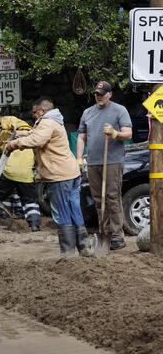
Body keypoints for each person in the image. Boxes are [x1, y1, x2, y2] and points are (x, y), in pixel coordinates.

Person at [7, 98, 91, 257]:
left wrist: (14, 144)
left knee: (62, 212)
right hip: (71, 173)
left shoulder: (46, 122)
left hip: (59, 175)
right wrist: (19, 133)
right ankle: (84, 247)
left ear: (41, 111)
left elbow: (37, 139)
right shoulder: (55, 121)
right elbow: (36, 133)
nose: (33, 116)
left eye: (34, 112)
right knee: (74, 209)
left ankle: (67, 252)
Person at [76, 81, 132, 251]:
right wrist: (79, 158)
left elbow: (128, 133)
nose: (99, 96)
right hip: (93, 162)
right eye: (96, 94)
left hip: (113, 160)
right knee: (99, 200)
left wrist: (115, 133)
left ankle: (117, 236)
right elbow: (81, 137)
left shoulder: (119, 110)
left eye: (102, 93)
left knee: (112, 198)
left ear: (110, 94)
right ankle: (104, 232)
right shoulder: (88, 112)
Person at [0, 105, 41, 232]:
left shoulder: (11, 120)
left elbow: (28, 130)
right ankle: (34, 224)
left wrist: (12, 129)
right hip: (16, 166)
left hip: (20, 159)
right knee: (29, 198)